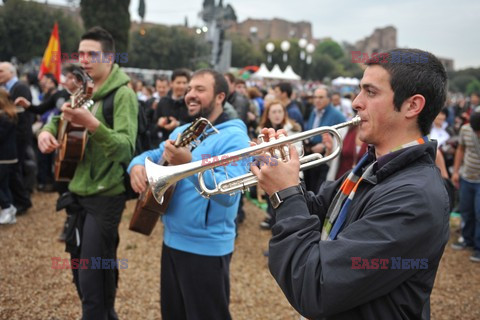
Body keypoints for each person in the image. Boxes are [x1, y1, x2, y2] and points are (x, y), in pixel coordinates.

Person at [251, 48, 450, 319]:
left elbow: (315, 285)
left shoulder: (415, 198)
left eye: (370, 92)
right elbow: (317, 210)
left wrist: (285, 194)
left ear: (412, 106)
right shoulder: (373, 165)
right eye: (359, 91)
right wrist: (282, 173)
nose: (356, 102)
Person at [128, 69, 249, 320]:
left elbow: (228, 193)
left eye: (200, 90)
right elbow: (153, 153)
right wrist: (136, 166)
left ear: (220, 97)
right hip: (171, 240)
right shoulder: (182, 130)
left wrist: (190, 163)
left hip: (207, 249)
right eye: (189, 89)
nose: (190, 95)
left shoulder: (235, 138)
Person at [38, 26, 138, 319]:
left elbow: (126, 149)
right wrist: (45, 132)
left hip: (106, 198)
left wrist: (93, 125)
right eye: (80, 53)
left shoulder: (123, 95)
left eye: (91, 54)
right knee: (81, 277)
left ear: (109, 58)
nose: (83, 59)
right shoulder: (84, 91)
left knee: (93, 280)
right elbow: (58, 119)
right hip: (78, 195)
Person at [0, 62, 33, 215]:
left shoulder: (20, 87)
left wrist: (17, 138)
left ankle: (22, 201)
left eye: (1, 71)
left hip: (16, 137)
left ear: (11, 72)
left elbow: (22, 115)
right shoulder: (8, 88)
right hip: (12, 137)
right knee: (13, 171)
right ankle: (16, 200)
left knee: (15, 170)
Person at [451, 107, 480, 262]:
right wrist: (456, 171)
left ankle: (478, 247)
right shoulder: (465, 130)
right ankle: (467, 240)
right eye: (476, 131)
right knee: (466, 211)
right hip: (467, 177)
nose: (477, 134)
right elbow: (461, 150)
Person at [0, 88, 18, 224]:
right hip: (6, 156)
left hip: (4, 157)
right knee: (4, 185)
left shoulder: (5, 117)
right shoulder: (8, 115)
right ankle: (9, 208)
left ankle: (6, 207)